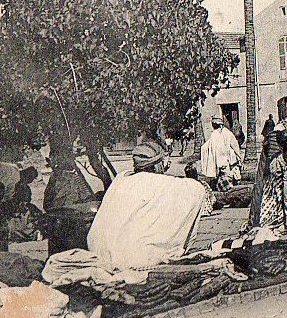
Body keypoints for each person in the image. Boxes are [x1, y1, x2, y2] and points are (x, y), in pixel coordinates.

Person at [87, 141, 207, 269]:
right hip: (131, 258)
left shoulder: (122, 179)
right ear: (156, 165)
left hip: (98, 252)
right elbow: (196, 189)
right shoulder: (158, 182)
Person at [200, 115, 242, 191]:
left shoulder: (224, 133)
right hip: (221, 159)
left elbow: (234, 145)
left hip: (227, 158)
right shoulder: (216, 134)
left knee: (230, 173)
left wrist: (237, 156)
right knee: (225, 175)